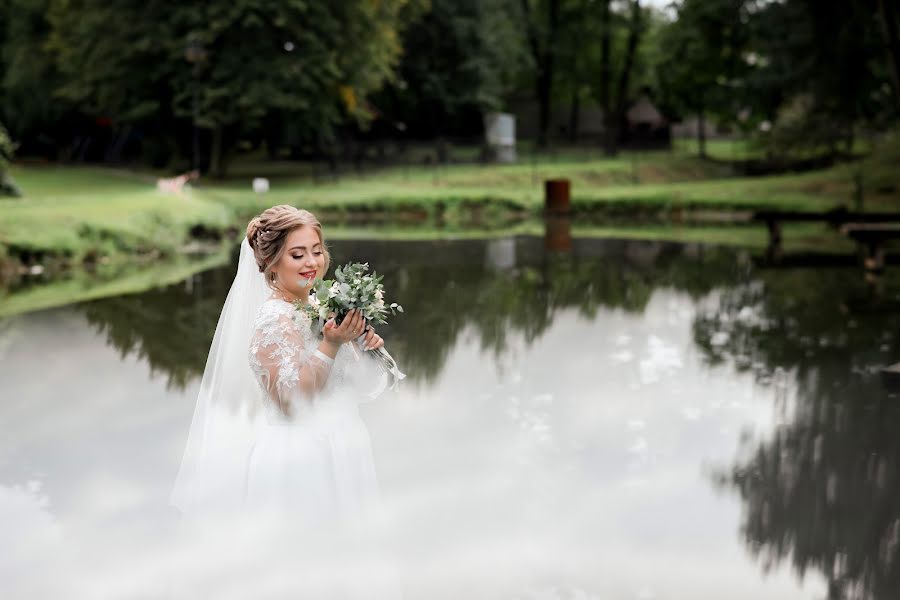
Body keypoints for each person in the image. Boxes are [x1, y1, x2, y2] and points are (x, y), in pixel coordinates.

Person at [169, 205, 399, 598]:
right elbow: (294, 401)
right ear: (271, 263)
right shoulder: (273, 321)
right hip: (300, 459)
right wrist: (331, 343)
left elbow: (360, 389)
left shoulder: (321, 308)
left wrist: (366, 348)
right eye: (298, 254)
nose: (312, 262)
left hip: (344, 446)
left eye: (317, 250)